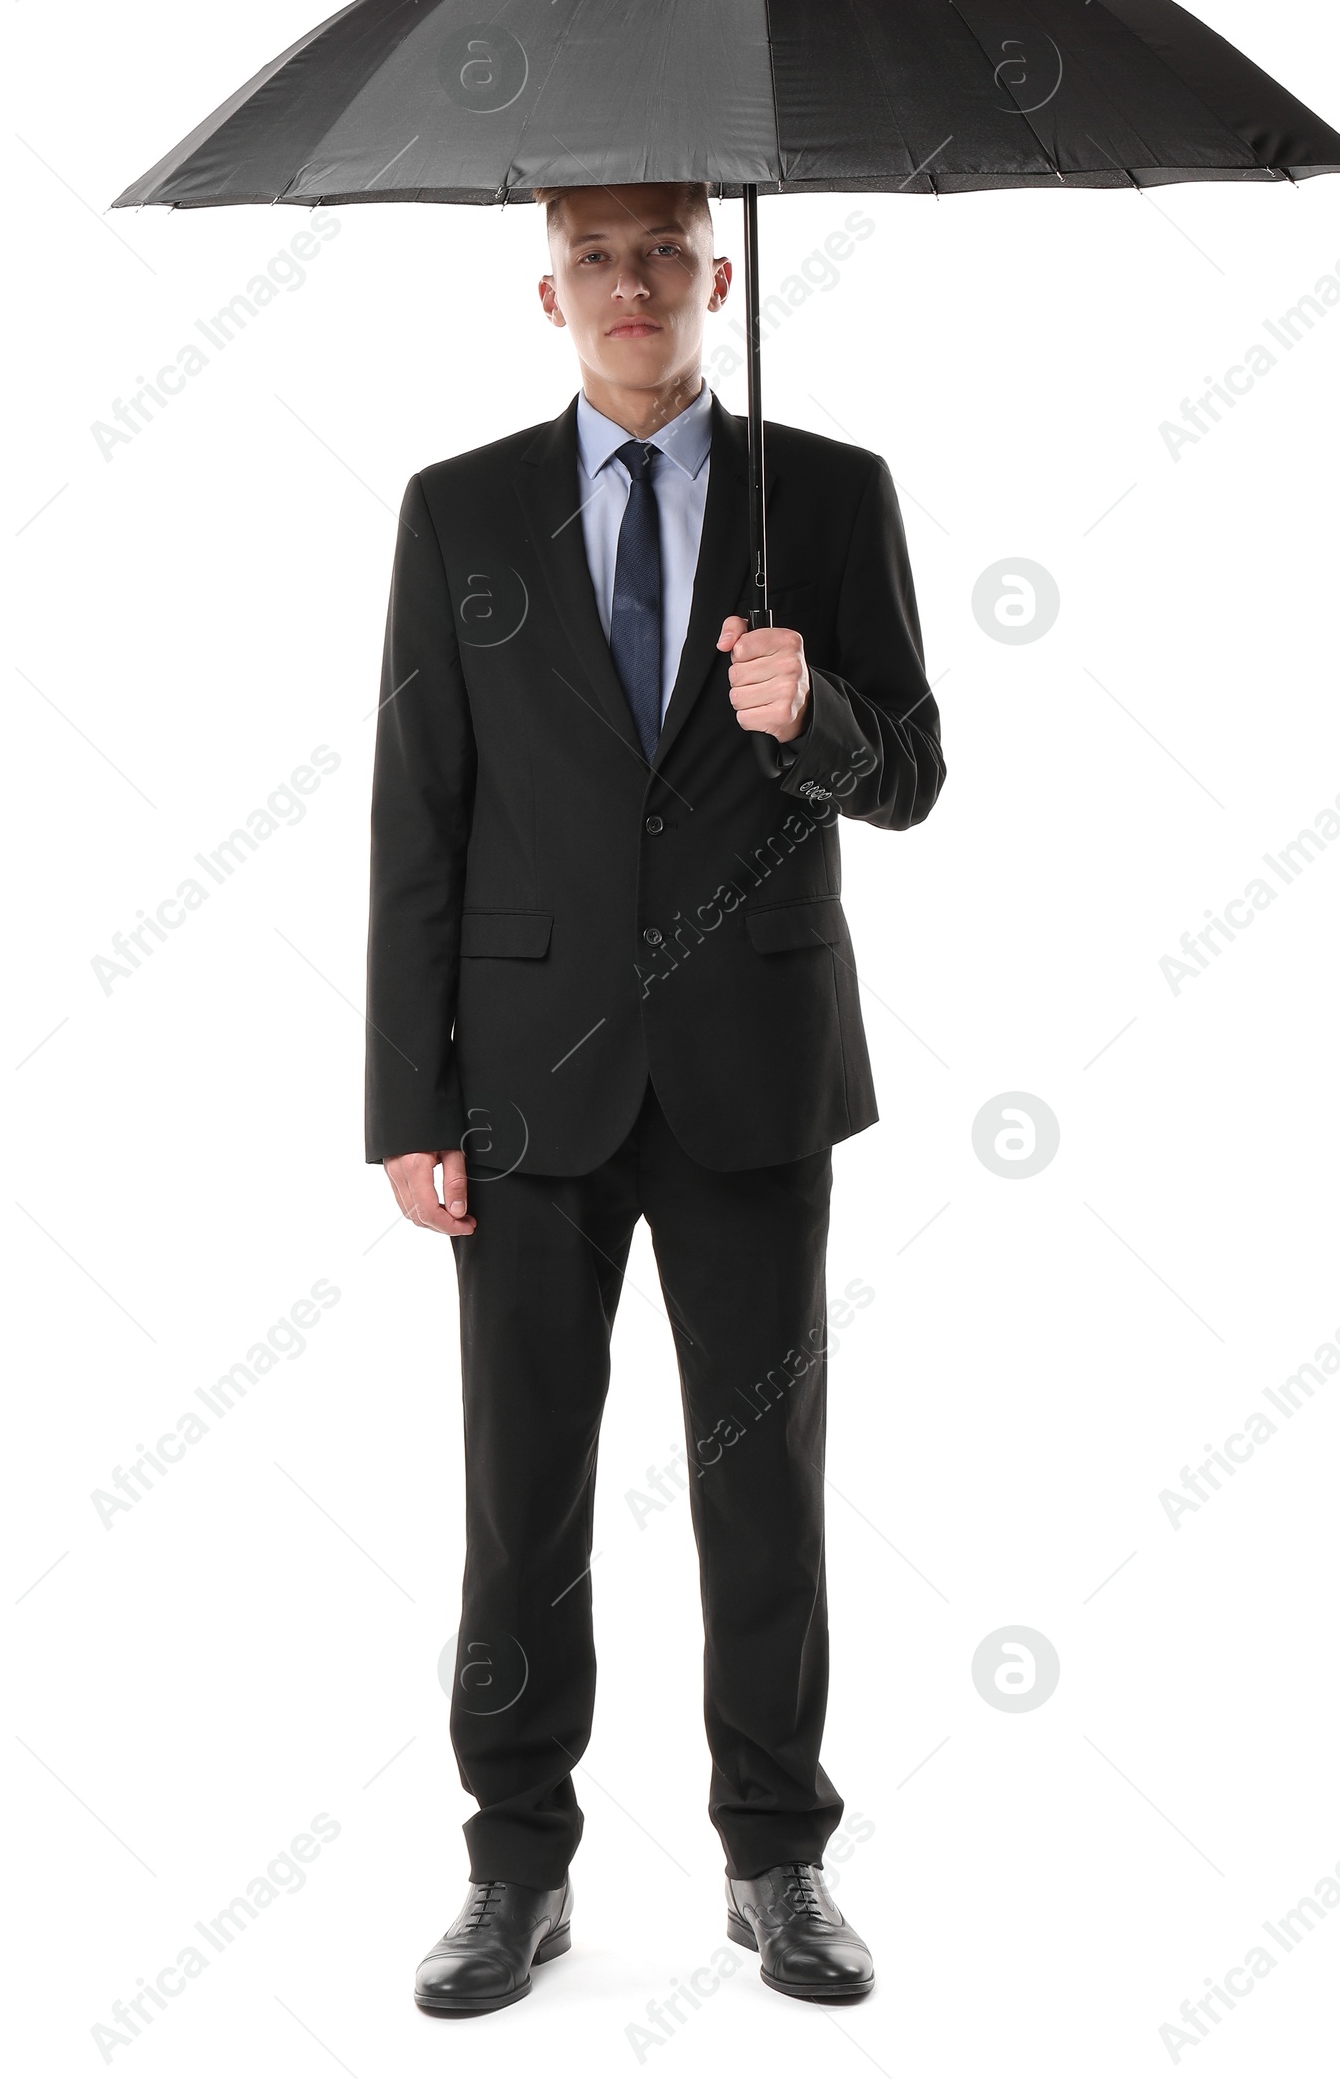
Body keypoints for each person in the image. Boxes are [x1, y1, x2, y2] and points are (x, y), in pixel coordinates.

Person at [365, 180, 944, 2015]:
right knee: (519, 1487)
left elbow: (916, 772)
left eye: (665, 249)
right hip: (524, 1087)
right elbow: (419, 822)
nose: (634, 283)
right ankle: (513, 1865)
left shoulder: (829, 497)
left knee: (760, 1483)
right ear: (550, 294)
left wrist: (816, 715)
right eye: (596, 255)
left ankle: (778, 1856)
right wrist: (407, 1099)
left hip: (753, 1079)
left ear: (722, 270)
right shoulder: (457, 511)